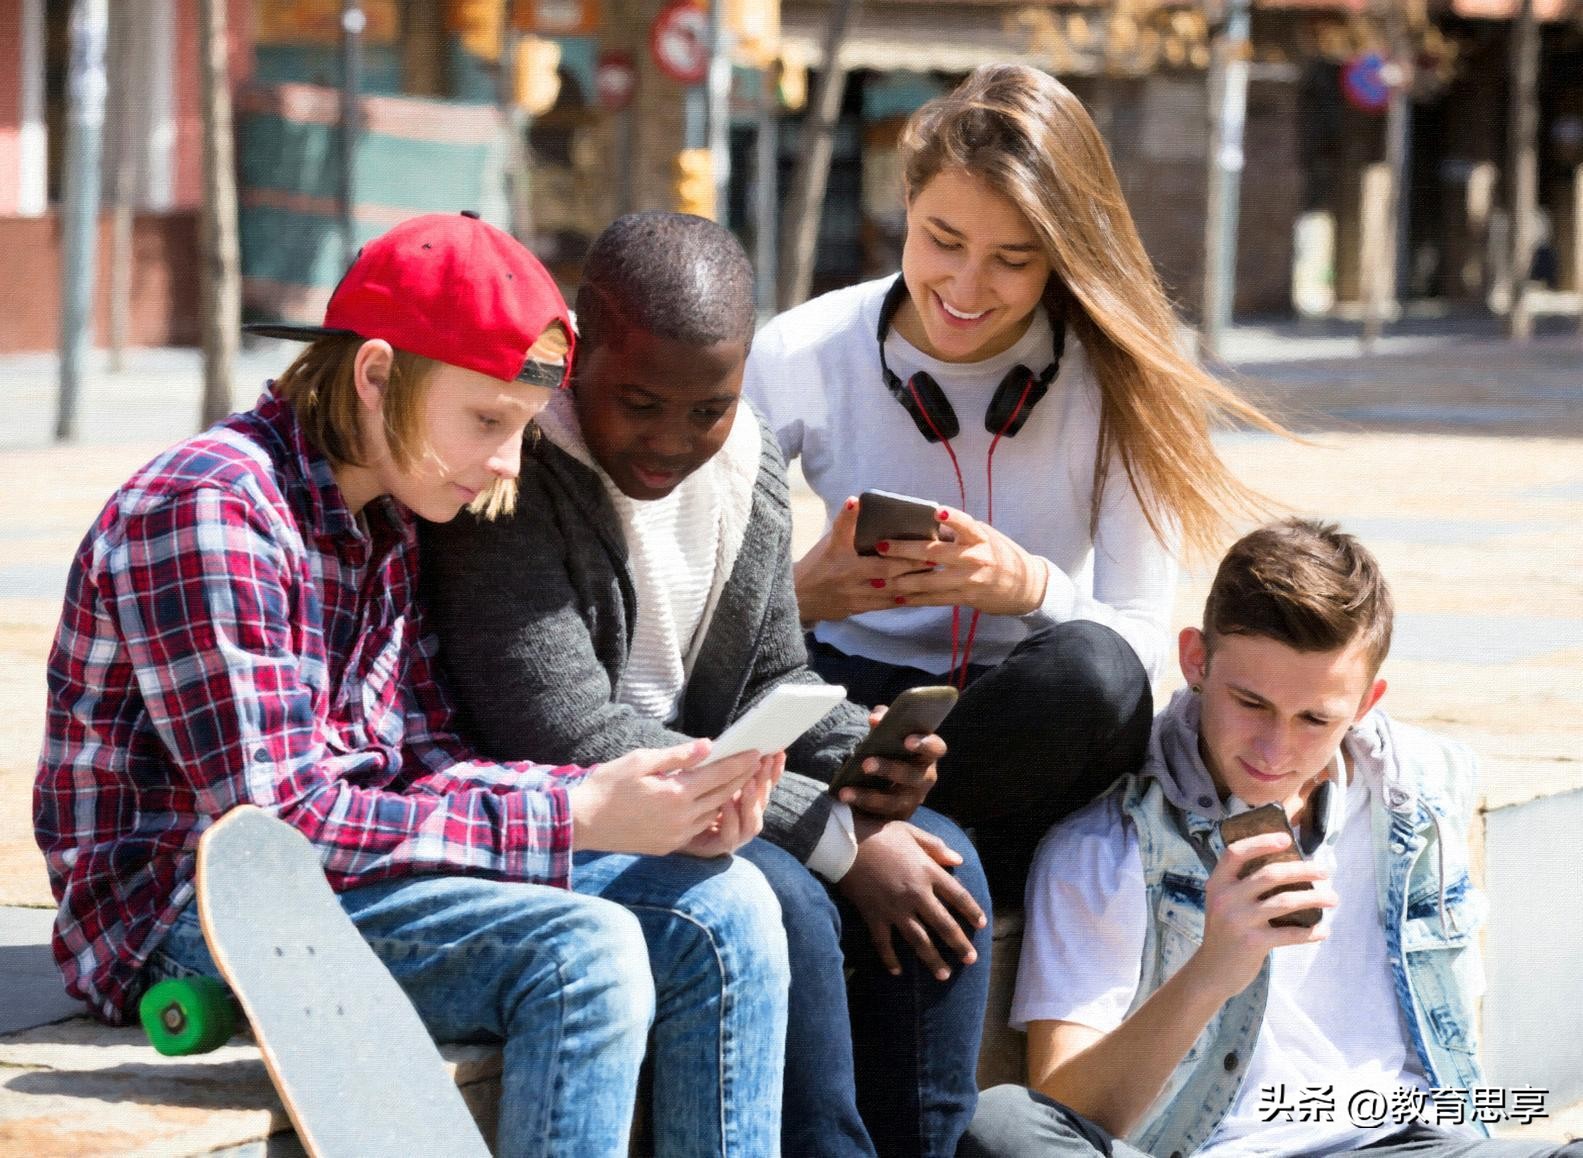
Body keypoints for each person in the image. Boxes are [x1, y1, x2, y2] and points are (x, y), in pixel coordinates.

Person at [34, 212, 789, 1158]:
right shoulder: (211, 511)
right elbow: (275, 832)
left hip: (340, 875)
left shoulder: (389, 516)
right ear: (378, 375)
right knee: (580, 959)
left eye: (518, 428)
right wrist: (575, 818)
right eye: (485, 421)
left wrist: (644, 804)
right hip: (184, 915)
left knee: (728, 907)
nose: (508, 464)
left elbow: (426, 760)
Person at [421, 211, 993, 1158]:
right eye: (638, 402)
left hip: (711, 785)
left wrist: (860, 748)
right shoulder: (513, 474)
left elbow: (770, 672)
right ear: (580, 348)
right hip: (580, 811)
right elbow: (557, 727)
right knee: (791, 902)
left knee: (944, 856)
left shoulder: (746, 460)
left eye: (708, 407)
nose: (671, 440)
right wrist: (825, 831)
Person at [742, 63, 1284, 902]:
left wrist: (1029, 586)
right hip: (846, 703)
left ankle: (870, 839)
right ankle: (886, 841)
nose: (963, 288)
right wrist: (800, 595)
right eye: (941, 241)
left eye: (1011, 260)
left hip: (1021, 714)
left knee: (1095, 669)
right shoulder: (798, 351)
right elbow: (694, 608)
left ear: (1061, 260)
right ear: (905, 212)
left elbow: (1137, 644)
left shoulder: (1126, 374)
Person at [962, 518, 1582, 1158]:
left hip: (1406, 1144)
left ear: (1367, 703)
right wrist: (1214, 968)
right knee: (1003, 1129)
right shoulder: (1110, 840)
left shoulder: (1418, 795)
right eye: (1251, 703)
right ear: (1195, 661)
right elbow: (1070, 1112)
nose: (1275, 749)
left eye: (1316, 718)